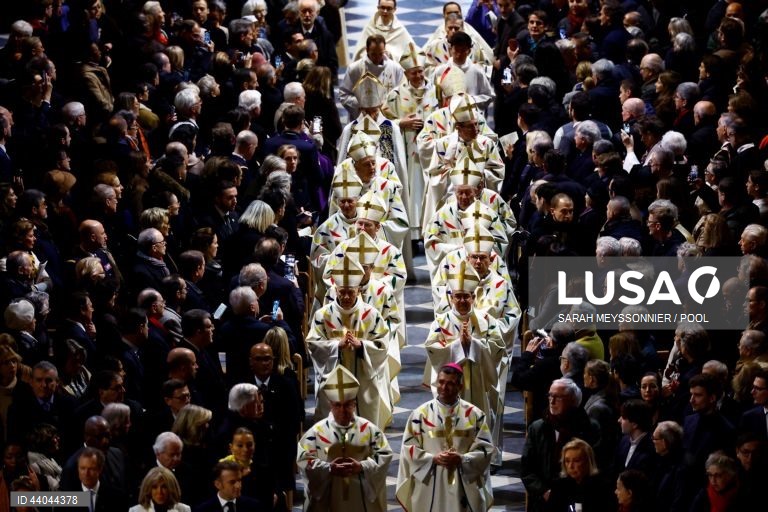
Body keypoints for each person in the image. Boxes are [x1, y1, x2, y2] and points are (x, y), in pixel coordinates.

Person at [396, 363, 494, 511]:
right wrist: (433, 459)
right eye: (441, 382)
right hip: (431, 482)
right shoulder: (420, 414)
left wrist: (462, 459)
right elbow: (408, 449)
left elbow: (486, 449)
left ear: (460, 387)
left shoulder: (475, 415)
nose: (444, 387)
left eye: (450, 383)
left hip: (463, 482)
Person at [308, 252, 391, 427]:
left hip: (363, 378)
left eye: (350, 292)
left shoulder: (371, 315)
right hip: (333, 378)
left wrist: (362, 346)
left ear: (358, 290)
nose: (346, 297)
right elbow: (313, 344)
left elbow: (382, 344)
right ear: (335, 290)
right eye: (342, 292)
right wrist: (336, 346)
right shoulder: (323, 315)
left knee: (363, 427)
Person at [297, 365, 392, 512]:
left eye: (347, 405)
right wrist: (329, 468)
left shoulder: (369, 430)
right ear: (330, 405)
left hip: (360, 499)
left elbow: (384, 455)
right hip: (328, 499)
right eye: (337, 405)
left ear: (354, 404)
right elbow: (304, 460)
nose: (342, 410)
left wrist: (362, 466)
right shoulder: (316, 432)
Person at [521, 378, 601, 512]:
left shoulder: (589, 428)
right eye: (550, 396)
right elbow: (527, 469)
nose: (552, 401)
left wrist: (569, 495)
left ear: (573, 401)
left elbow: (596, 465)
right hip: (543, 501)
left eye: (558, 397)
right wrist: (545, 492)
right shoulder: (538, 428)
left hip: (578, 500)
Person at [544, 438, 616, 512]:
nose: (570, 466)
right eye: (567, 461)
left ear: (588, 462)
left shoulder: (603, 488)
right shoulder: (558, 486)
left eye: (576, 461)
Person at [350, 0, 416, 63]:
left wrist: (390, 54)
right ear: (378, 8)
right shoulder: (370, 26)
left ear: (394, 10)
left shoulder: (399, 28)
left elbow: (410, 52)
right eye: (382, 8)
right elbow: (361, 50)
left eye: (389, 8)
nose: (385, 11)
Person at [192, 460, 266, 512]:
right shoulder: (202, 510)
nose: (238, 486)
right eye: (232, 482)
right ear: (218, 484)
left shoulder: (254, 506)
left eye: (239, 480)